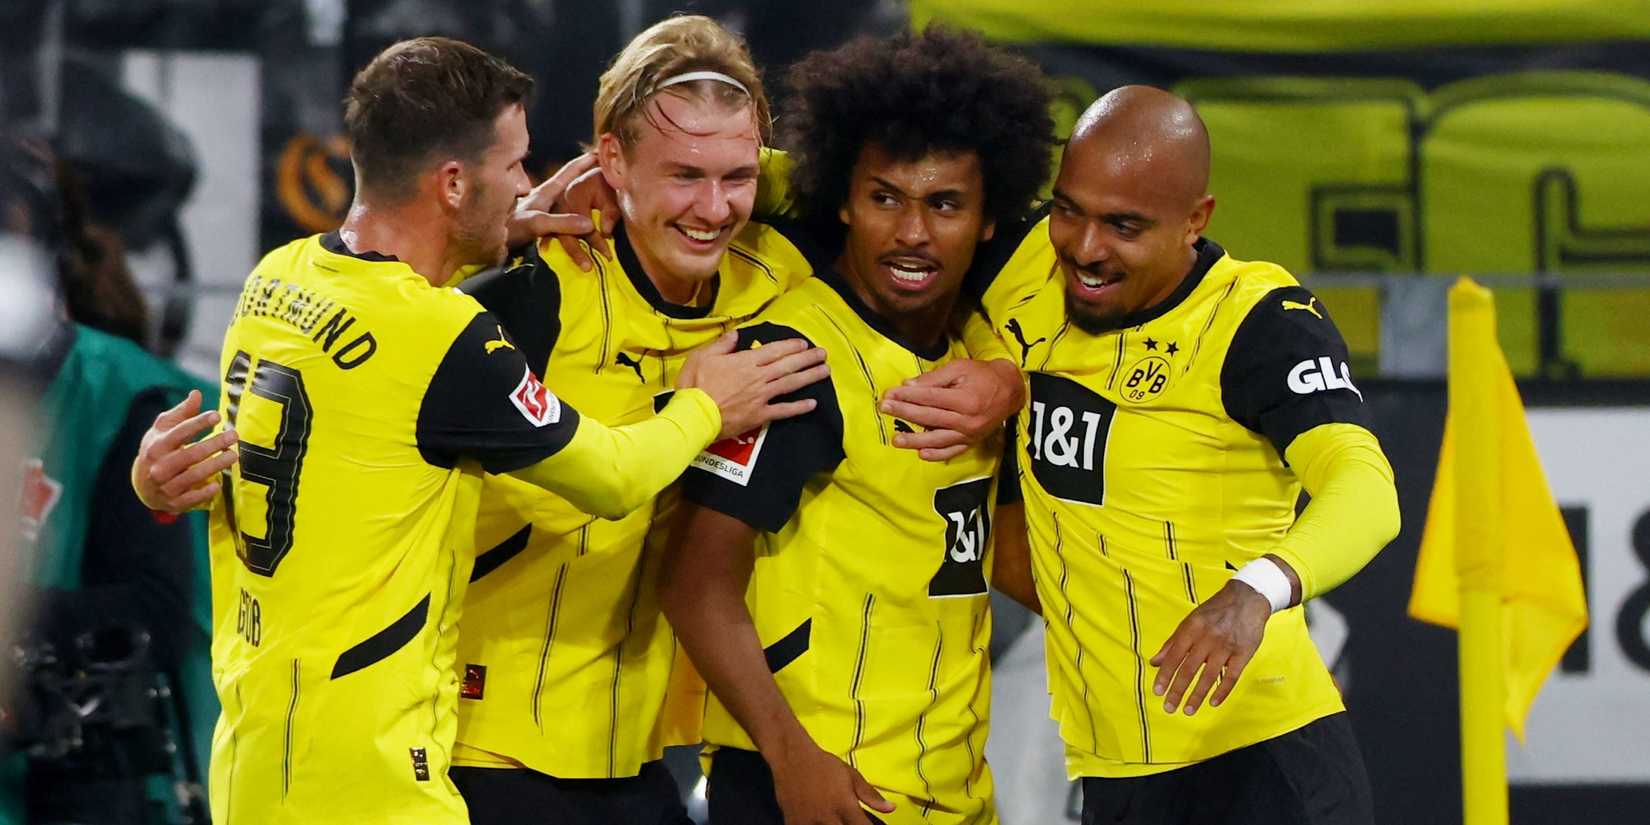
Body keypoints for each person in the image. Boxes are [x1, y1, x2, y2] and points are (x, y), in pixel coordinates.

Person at [129, 37, 828, 825]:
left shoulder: (278, 278)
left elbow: (276, 447)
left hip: (260, 748)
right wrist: (707, 404)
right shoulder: (455, 333)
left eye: (734, 174)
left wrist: (153, 482)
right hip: (377, 772)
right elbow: (613, 477)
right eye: (516, 165)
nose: (533, 184)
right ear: (454, 181)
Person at [974, 86, 1401, 825]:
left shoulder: (1256, 321)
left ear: (1196, 220)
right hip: (1113, 776)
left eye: (1125, 226)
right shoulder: (1025, 272)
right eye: (1068, 209)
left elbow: (1366, 487)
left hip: (1263, 764)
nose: (1084, 248)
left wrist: (1256, 590)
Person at [659, 27, 1054, 825]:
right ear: (843, 198)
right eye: (885, 198)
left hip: (955, 795)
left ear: (987, 220)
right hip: (817, 792)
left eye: (944, 204)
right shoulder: (793, 359)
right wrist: (790, 755)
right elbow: (694, 584)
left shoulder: (980, 356)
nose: (912, 233)